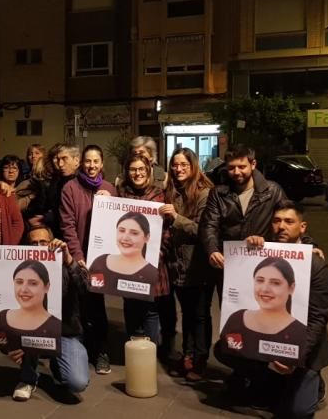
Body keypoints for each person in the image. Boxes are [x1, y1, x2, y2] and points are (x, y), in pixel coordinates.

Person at [215, 201, 328, 417]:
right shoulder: (262, 251)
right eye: (277, 221)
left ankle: (314, 382)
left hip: (303, 345)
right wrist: (247, 248)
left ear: (302, 227)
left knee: (297, 412)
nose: (281, 226)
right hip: (265, 335)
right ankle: (267, 380)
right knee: (225, 348)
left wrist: (296, 358)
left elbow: (318, 319)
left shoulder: (315, 264)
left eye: (289, 222)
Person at [8, 226, 90, 403]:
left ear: (52, 242)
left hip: (64, 334)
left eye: (43, 242)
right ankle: (28, 378)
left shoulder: (66, 263)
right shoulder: (23, 271)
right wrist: (11, 342)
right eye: (34, 243)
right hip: (32, 331)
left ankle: (56, 363)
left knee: (77, 382)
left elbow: (85, 288)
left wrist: (68, 259)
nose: (38, 246)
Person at [60, 144, 116, 374]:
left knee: (98, 307)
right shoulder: (70, 188)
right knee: (78, 305)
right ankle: (79, 352)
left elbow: (119, 224)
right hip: (79, 258)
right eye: (88, 161)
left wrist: (111, 201)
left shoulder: (110, 188)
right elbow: (68, 225)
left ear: (102, 164)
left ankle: (101, 352)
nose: (92, 166)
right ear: (82, 163)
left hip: (101, 260)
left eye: (96, 161)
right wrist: (78, 257)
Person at [160, 147, 215, 381]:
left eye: (184, 165)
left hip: (199, 267)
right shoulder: (171, 191)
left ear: (193, 166)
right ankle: (187, 355)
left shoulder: (205, 193)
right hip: (177, 267)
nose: (178, 169)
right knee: (188, 314)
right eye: (175, 164)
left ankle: (200, 360)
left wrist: (176, 218)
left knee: (200, 314)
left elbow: (204, 231)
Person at [201, 144, 287, 285]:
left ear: (253, 164)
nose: (236, 172)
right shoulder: (218, 193)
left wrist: (309, 245)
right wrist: (212, 250)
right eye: (231, 167)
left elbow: (290, 220)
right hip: (229, 264)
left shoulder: (273, 191)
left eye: (242, 167)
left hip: (264, 264)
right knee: (232, 307)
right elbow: (209, 225)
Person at [111, 154, 167, 346]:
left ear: (148, 171)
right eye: (133, 169)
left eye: (141, 169)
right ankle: (133, 350)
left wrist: (160, 250)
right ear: (127, 172)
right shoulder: (120, 194)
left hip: (152, 262)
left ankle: (150, 353)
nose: (137, 173)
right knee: (130, 304)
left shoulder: (159, 194)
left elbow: (166, 229)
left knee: (150, 308)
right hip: (127, 261)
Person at [219, 257, 307, 364]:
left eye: (275, 283)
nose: (265, 289)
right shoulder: (237, 318)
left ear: (291, 288)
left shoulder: (300, 333)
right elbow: (225, 353)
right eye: (260, 280)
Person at [0, 260, 62, 354]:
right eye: (19, 282)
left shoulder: (55, 327)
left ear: (46, 287)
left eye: (33, 283)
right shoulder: (0, 319)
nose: (24, 289)